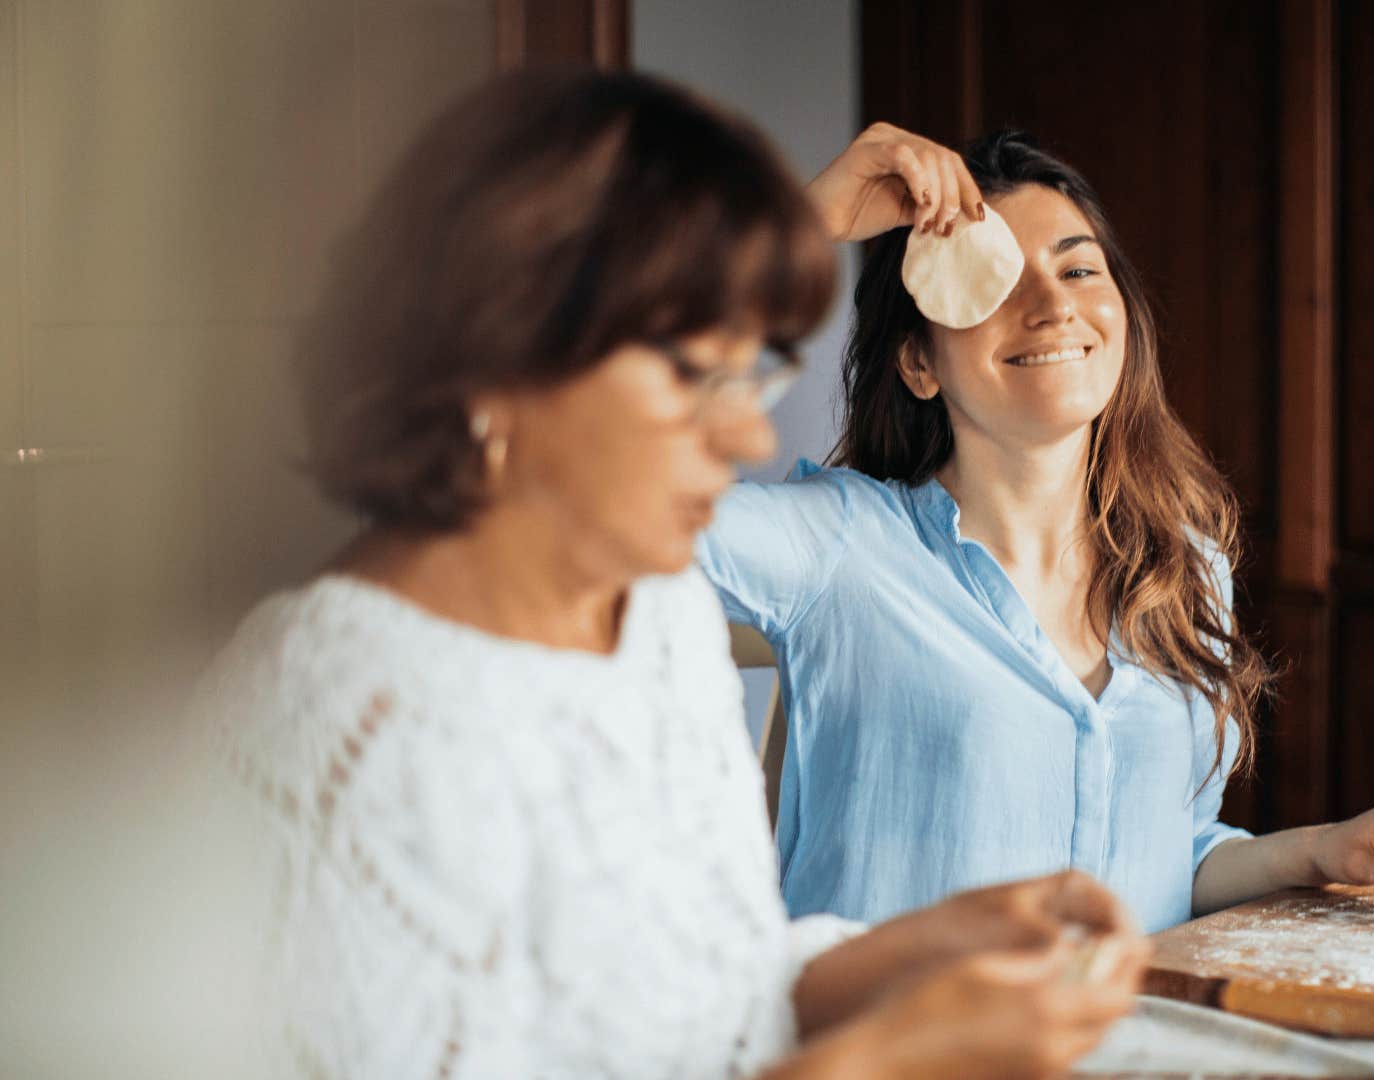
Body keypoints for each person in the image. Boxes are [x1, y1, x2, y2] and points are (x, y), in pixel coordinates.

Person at [196, 70, 1147, 1079]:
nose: (745, 431)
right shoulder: (341, 713)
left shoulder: (656, 623)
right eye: (698, 374)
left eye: (754, 373)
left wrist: (929, 946)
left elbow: (714, 989)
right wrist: (886, 1058)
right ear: (501, 361)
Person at [699, 125, 1374, 934]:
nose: (1053, 304)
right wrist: (793, 234)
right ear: (919, 361)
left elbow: (1165, 856)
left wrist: (1314, 853)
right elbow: (564, 488)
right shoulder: (833, 547)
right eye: (994, 282)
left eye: (1078, 268)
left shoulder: (1185, 569)